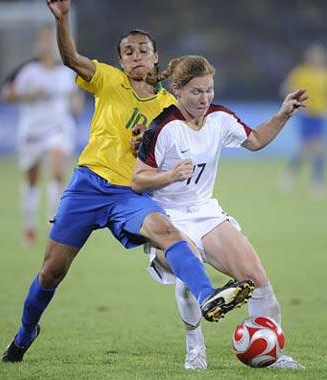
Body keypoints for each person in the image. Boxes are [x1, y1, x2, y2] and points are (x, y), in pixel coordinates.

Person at [1, 1, 254, 363]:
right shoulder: (107, 79)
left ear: (155, 58)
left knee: (166, 231)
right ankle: (26, 332)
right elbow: (71, 57)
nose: (136, 56)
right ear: (121, 61)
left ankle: (207, 294)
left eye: (143, 50)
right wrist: (62, 18)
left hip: (130, 193)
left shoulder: (170, 107)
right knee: (52, 271)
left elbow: (188, 137)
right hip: (88, 185)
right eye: (128, 51)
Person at [131, 55, 307, 370]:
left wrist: (283, 115)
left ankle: (270, 354)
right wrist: (169, 176)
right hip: (168, 216)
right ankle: (194, 348)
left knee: (256, 278)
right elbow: (137, 181)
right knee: (190, 267)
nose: (205, 98)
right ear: (177, 90)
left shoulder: (220, 118)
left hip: (206, 213)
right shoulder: (163, 127)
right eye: (196, 92)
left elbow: (254, 141)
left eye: (209, 90)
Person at [0, 24, 84, 246]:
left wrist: (76, 104)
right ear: (38, 44)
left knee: (57, 172)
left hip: (59, 129)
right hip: (32, 132)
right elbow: (6, 95)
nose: (48, 45)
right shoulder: (28, 70)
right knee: (31, 179)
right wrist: (28, 94)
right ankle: (29, 224)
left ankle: (53, 224)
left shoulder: (67, 72)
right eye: (44, 41)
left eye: (52, 41)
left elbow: (76, 95)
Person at [280, 44, 327, 198]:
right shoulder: (301, 72)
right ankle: (316, 182)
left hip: (319, 116)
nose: (316, 59)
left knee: (308, 150)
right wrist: (296, 103)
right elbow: (286, 88)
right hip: (306, 115)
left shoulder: (323, 74)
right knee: (313, 149)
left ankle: (290, 176)